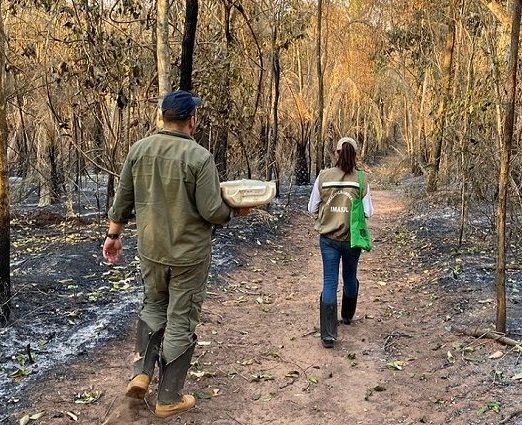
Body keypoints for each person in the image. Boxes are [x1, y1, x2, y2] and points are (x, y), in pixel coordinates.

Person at [102, 90, 248, 417]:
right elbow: (212, 211)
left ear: (162, 117)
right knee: (181, 317)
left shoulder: (139, 149)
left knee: (154, 305)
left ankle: (141, 373)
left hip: (151, 249)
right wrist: (234, 212)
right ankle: (168, 398)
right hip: (189, 255)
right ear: (191, 120)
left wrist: (113, 236)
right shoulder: (199, 157)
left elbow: (122, 199)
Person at [307, 137, 374, 348]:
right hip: (352, 239)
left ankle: (328, 335)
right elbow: (368, 212)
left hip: (328, 239)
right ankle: (346, 315)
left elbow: (311, 208)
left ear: (336, 153)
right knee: (350, 277)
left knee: (329, 282)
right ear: (355, 155)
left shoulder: (323, 176)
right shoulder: (361, 179)